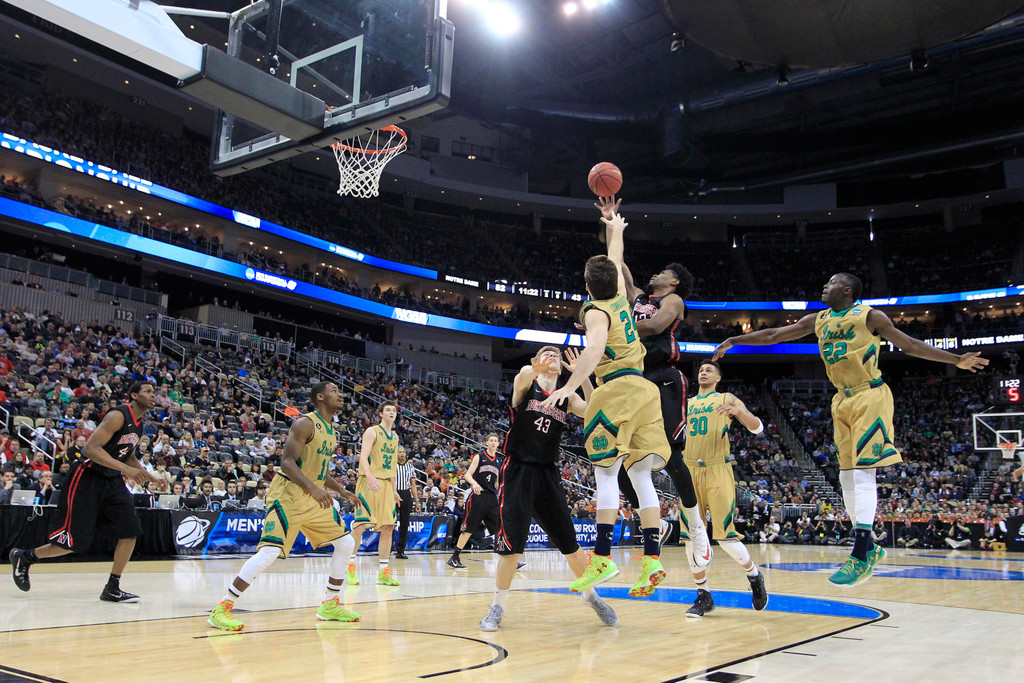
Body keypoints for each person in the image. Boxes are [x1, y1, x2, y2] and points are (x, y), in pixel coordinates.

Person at [713, 272, 988, 586]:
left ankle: (860, 553)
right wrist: (736, 340)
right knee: (845, 475)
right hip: (841, 400)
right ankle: (869, 546)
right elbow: (775, 335)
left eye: (830, 283)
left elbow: (909, 345)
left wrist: (957, 359)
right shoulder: (819, 319)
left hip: (870, 394)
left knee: (861, 473)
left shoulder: (871, 316)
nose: (824, 286)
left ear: (846, 290)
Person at [542, 198, 675, 598]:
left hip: (615, 388)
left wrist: (569, 385)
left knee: (605, 474)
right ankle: (652, 559)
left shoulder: (596, 310)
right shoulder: (620, 292)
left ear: (586, 288)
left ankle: (601, 559)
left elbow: (595, 349)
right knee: (639, 475)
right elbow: (615, 257)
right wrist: (614, 226)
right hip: (644, 389)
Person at [479, 346, 617, 632]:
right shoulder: (526, 386)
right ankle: (496, 607)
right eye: (547, 354)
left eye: (557, 355)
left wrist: (584, 374)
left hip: (547, 473)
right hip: (517, 471)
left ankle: (591, 597)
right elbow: (522, 375)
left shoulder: (566, 397)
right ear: (536, 361)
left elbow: (596, 406)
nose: (554, 357)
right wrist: (540, 366)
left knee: (570, 545)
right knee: (511, 548)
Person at [208, 381, 361, 630]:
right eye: (334, 391)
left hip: (313, 498)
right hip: (288, 495)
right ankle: (222, 607)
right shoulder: (305, 423)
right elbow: (287, 463)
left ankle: (330, 604)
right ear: (320, 397)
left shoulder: (331, 430)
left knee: (345, 542)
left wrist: (340, 489)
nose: (340, 394)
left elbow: (318, 471)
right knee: (269, 552)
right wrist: (312, 488)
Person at [9, 382, 159, 602]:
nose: (153, 395)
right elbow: (90, 448)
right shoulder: (119, 415)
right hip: (87, 477)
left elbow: (127, 455)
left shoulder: (139, 424)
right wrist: (125, 469)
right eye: (148, 392)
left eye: (154, 392)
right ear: (134, 395)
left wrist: (149, 475)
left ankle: (112, 586)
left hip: (111, 480)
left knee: (130, 530)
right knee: (72, 543)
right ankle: (26, 556)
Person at [617, 247, 710, 567]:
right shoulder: (639, 298)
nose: (654, 274)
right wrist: (614, 231)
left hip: (665, 378)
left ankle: (697, 526)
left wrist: (617, 331)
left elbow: (656, 326)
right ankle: (655, 523)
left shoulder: (673, 301)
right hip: (636, 379)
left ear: (672, 282)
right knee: (620, 461)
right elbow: (620, 269)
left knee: (671, 454)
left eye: (662, 272)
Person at [678, 360, 768, 618]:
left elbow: (757, 428)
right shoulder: (687, 403)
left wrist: (738, 412)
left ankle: (754, 575)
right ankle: (703, 595)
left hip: (718, 469)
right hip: (689, 470)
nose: (703, 372)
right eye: (701, 370)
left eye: (709, 370)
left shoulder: (727, 398)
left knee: (724, 536)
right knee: (690, 538)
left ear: (718, 378)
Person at [347, 402, 402, 587]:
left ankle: (383, 572)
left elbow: (393, 465)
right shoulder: (372, 431)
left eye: (394, 410)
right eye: (388, 410)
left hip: (386, 483)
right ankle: (350, 566)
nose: (391, 412)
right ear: (380, 414)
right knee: (361, 524)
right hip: (369, 481)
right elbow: (363, 456)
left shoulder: (395, 437)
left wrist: (394, 490)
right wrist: (369, 475)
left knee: (388, 527)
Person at [448, 433, 503, 569]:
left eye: (495, 441)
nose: (493, 443)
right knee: (468, 529)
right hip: (478, 496)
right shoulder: (480, 456)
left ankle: (509, 558)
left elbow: (496, 482)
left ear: (498, 444)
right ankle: (454, 557)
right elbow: (467, 475)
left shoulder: (499, 461)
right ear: (486, 442)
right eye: (491, 440)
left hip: (491, 497)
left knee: (502, 527)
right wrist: (474, 483)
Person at [393, 445, 418, 559]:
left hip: (406, 494)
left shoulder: (410, 467)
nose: (402, 454)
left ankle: (400, 550)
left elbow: (413, 485)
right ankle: (387, 549)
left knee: (404, 524)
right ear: (396, 453)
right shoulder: (392, 466)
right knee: (391, 523)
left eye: (403, 452)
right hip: (394, 494)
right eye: (400, 452)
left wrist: (416, 502)